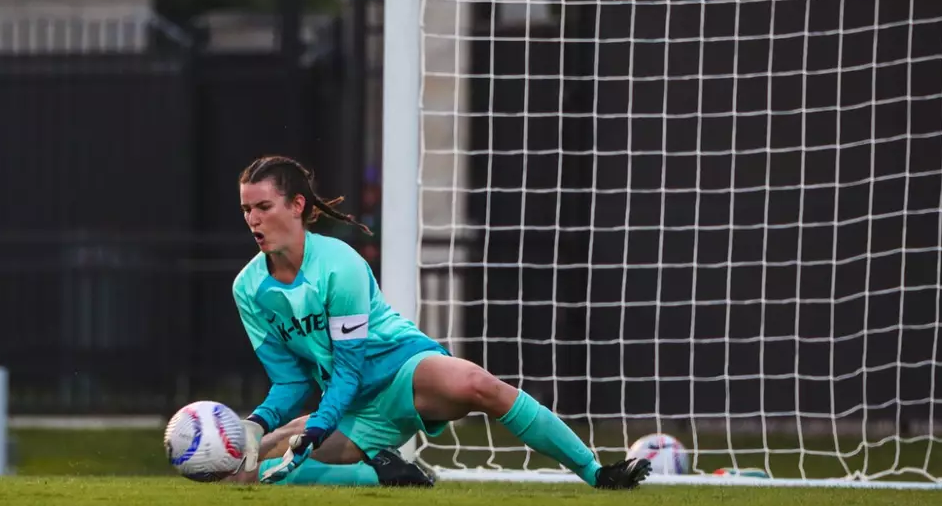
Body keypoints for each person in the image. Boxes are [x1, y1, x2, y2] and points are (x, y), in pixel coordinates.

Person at [229, 155, 652, 489]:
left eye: (263, 207)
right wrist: (255, 424)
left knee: (478, 385)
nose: (253, 219)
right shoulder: (248, 288)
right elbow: (291, 382)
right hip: (352, 407)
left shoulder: (340, 266)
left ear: (297, 205)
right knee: (248, 471)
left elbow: (350, 366)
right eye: (247, 209)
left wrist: (318, 425)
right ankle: (386, 474)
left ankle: (596, 472)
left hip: (404, 371)